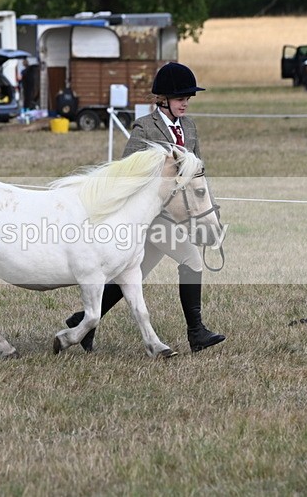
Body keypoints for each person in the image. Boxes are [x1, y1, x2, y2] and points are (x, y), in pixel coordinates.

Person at [64, 62, 226, 353]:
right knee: (191, 261)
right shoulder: (145, 127)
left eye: (188, 98)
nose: (185, 103)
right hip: (152, 218)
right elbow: (126, 172)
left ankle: (82, 322)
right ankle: (196, 333)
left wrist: (209, 209)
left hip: (178, 214)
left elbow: (197, 172)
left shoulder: (189, 128)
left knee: (129, 274)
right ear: (162, 99)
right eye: (180, 98)